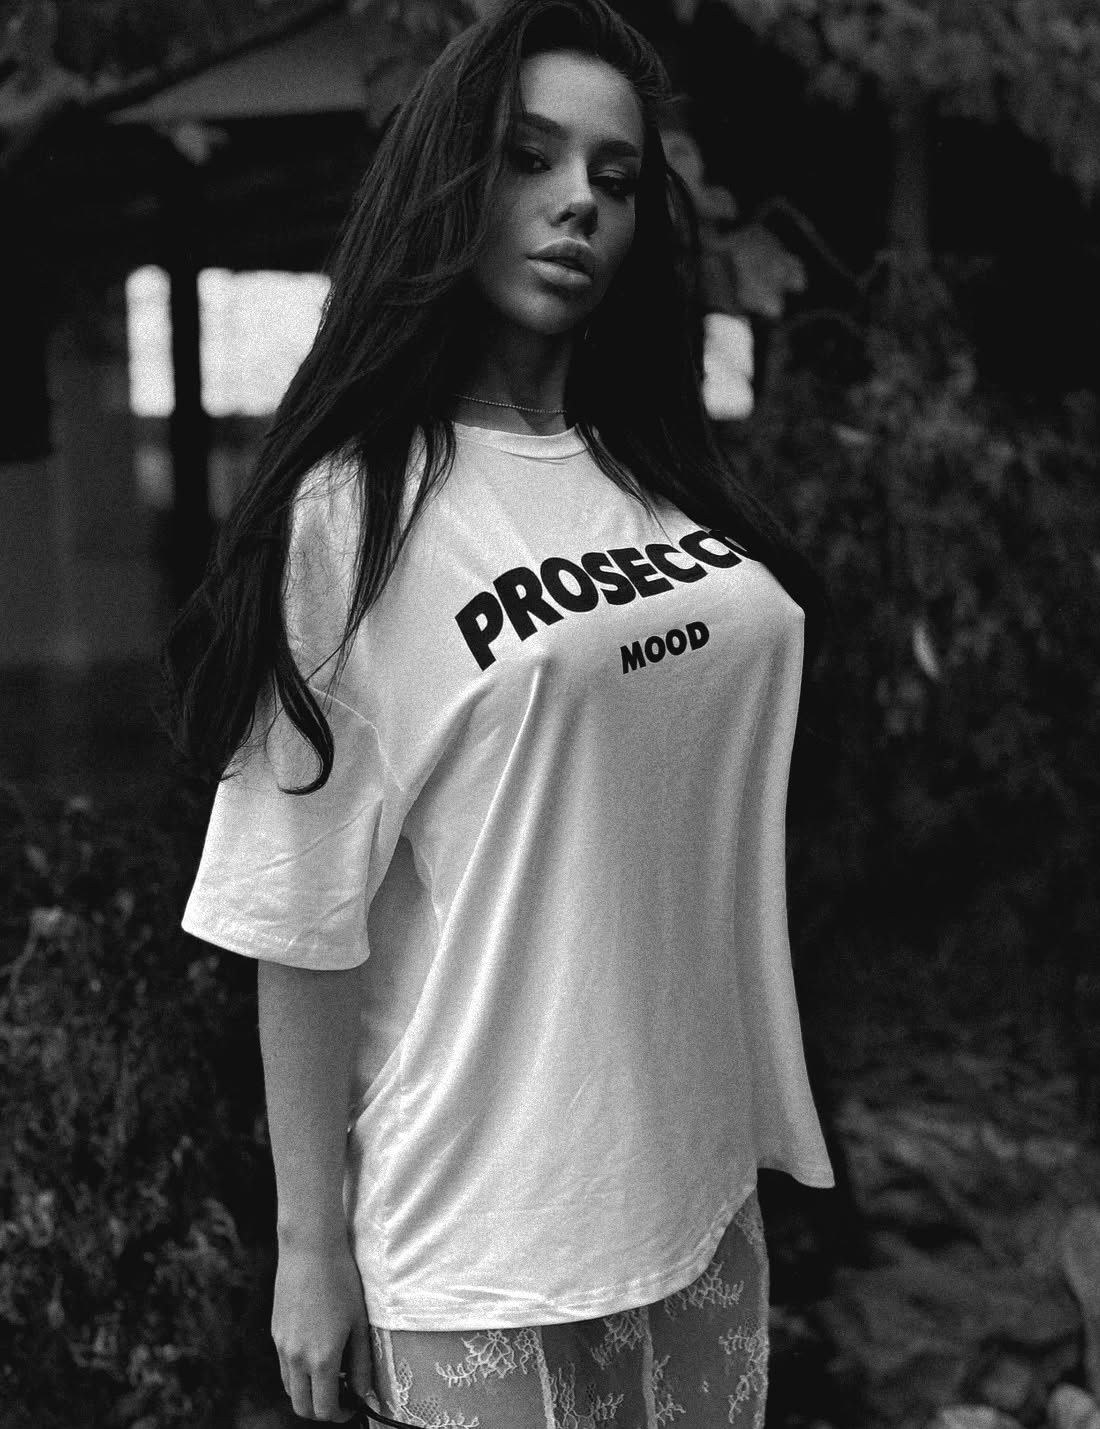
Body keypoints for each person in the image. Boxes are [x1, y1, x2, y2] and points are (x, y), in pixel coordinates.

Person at [166, 1, 835, 1424]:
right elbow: (298, 912)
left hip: (698, 1197)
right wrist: (308, 1247)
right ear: (450, 182)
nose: (577, 200)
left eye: (615, 175)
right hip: (479, 1238)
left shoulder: (660, 477)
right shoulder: (354, 514)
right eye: (530, 158)